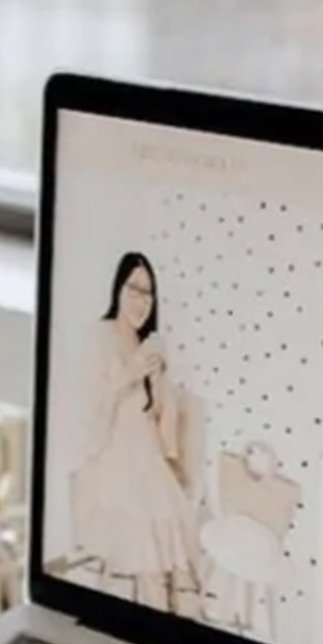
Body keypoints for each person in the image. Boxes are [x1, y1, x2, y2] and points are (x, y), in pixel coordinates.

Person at [69, 251, 201, 613]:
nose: (142, 300)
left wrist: (159, 381)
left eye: (149, 293)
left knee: (169, 563)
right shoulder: (99, 336)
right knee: (147, 562)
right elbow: (89, 411)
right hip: (114, 460)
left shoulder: (150, 344)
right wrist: (130, 372)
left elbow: (158, 418)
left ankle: (171, 631)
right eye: (135, 289)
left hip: (146, 457)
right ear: (118, 288)